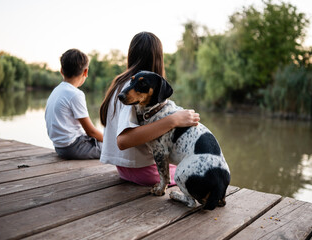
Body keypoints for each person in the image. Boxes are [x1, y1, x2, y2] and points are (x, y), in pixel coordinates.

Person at [99, 32, 200, 186]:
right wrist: (174, 120)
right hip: (143, 170)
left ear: (131, 54)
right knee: (198, 171)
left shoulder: (122, 82)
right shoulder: (132, 91)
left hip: (127, 168)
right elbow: (123, 140)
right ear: (158, 58)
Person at [45, 48, 103, 160]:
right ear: (85, 72)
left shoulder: (56, 90)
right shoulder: (75, 94)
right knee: (112, 149)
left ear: (61, 70)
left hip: (59, 147)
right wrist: (111, 141)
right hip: (73, 147)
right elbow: (91, 131)